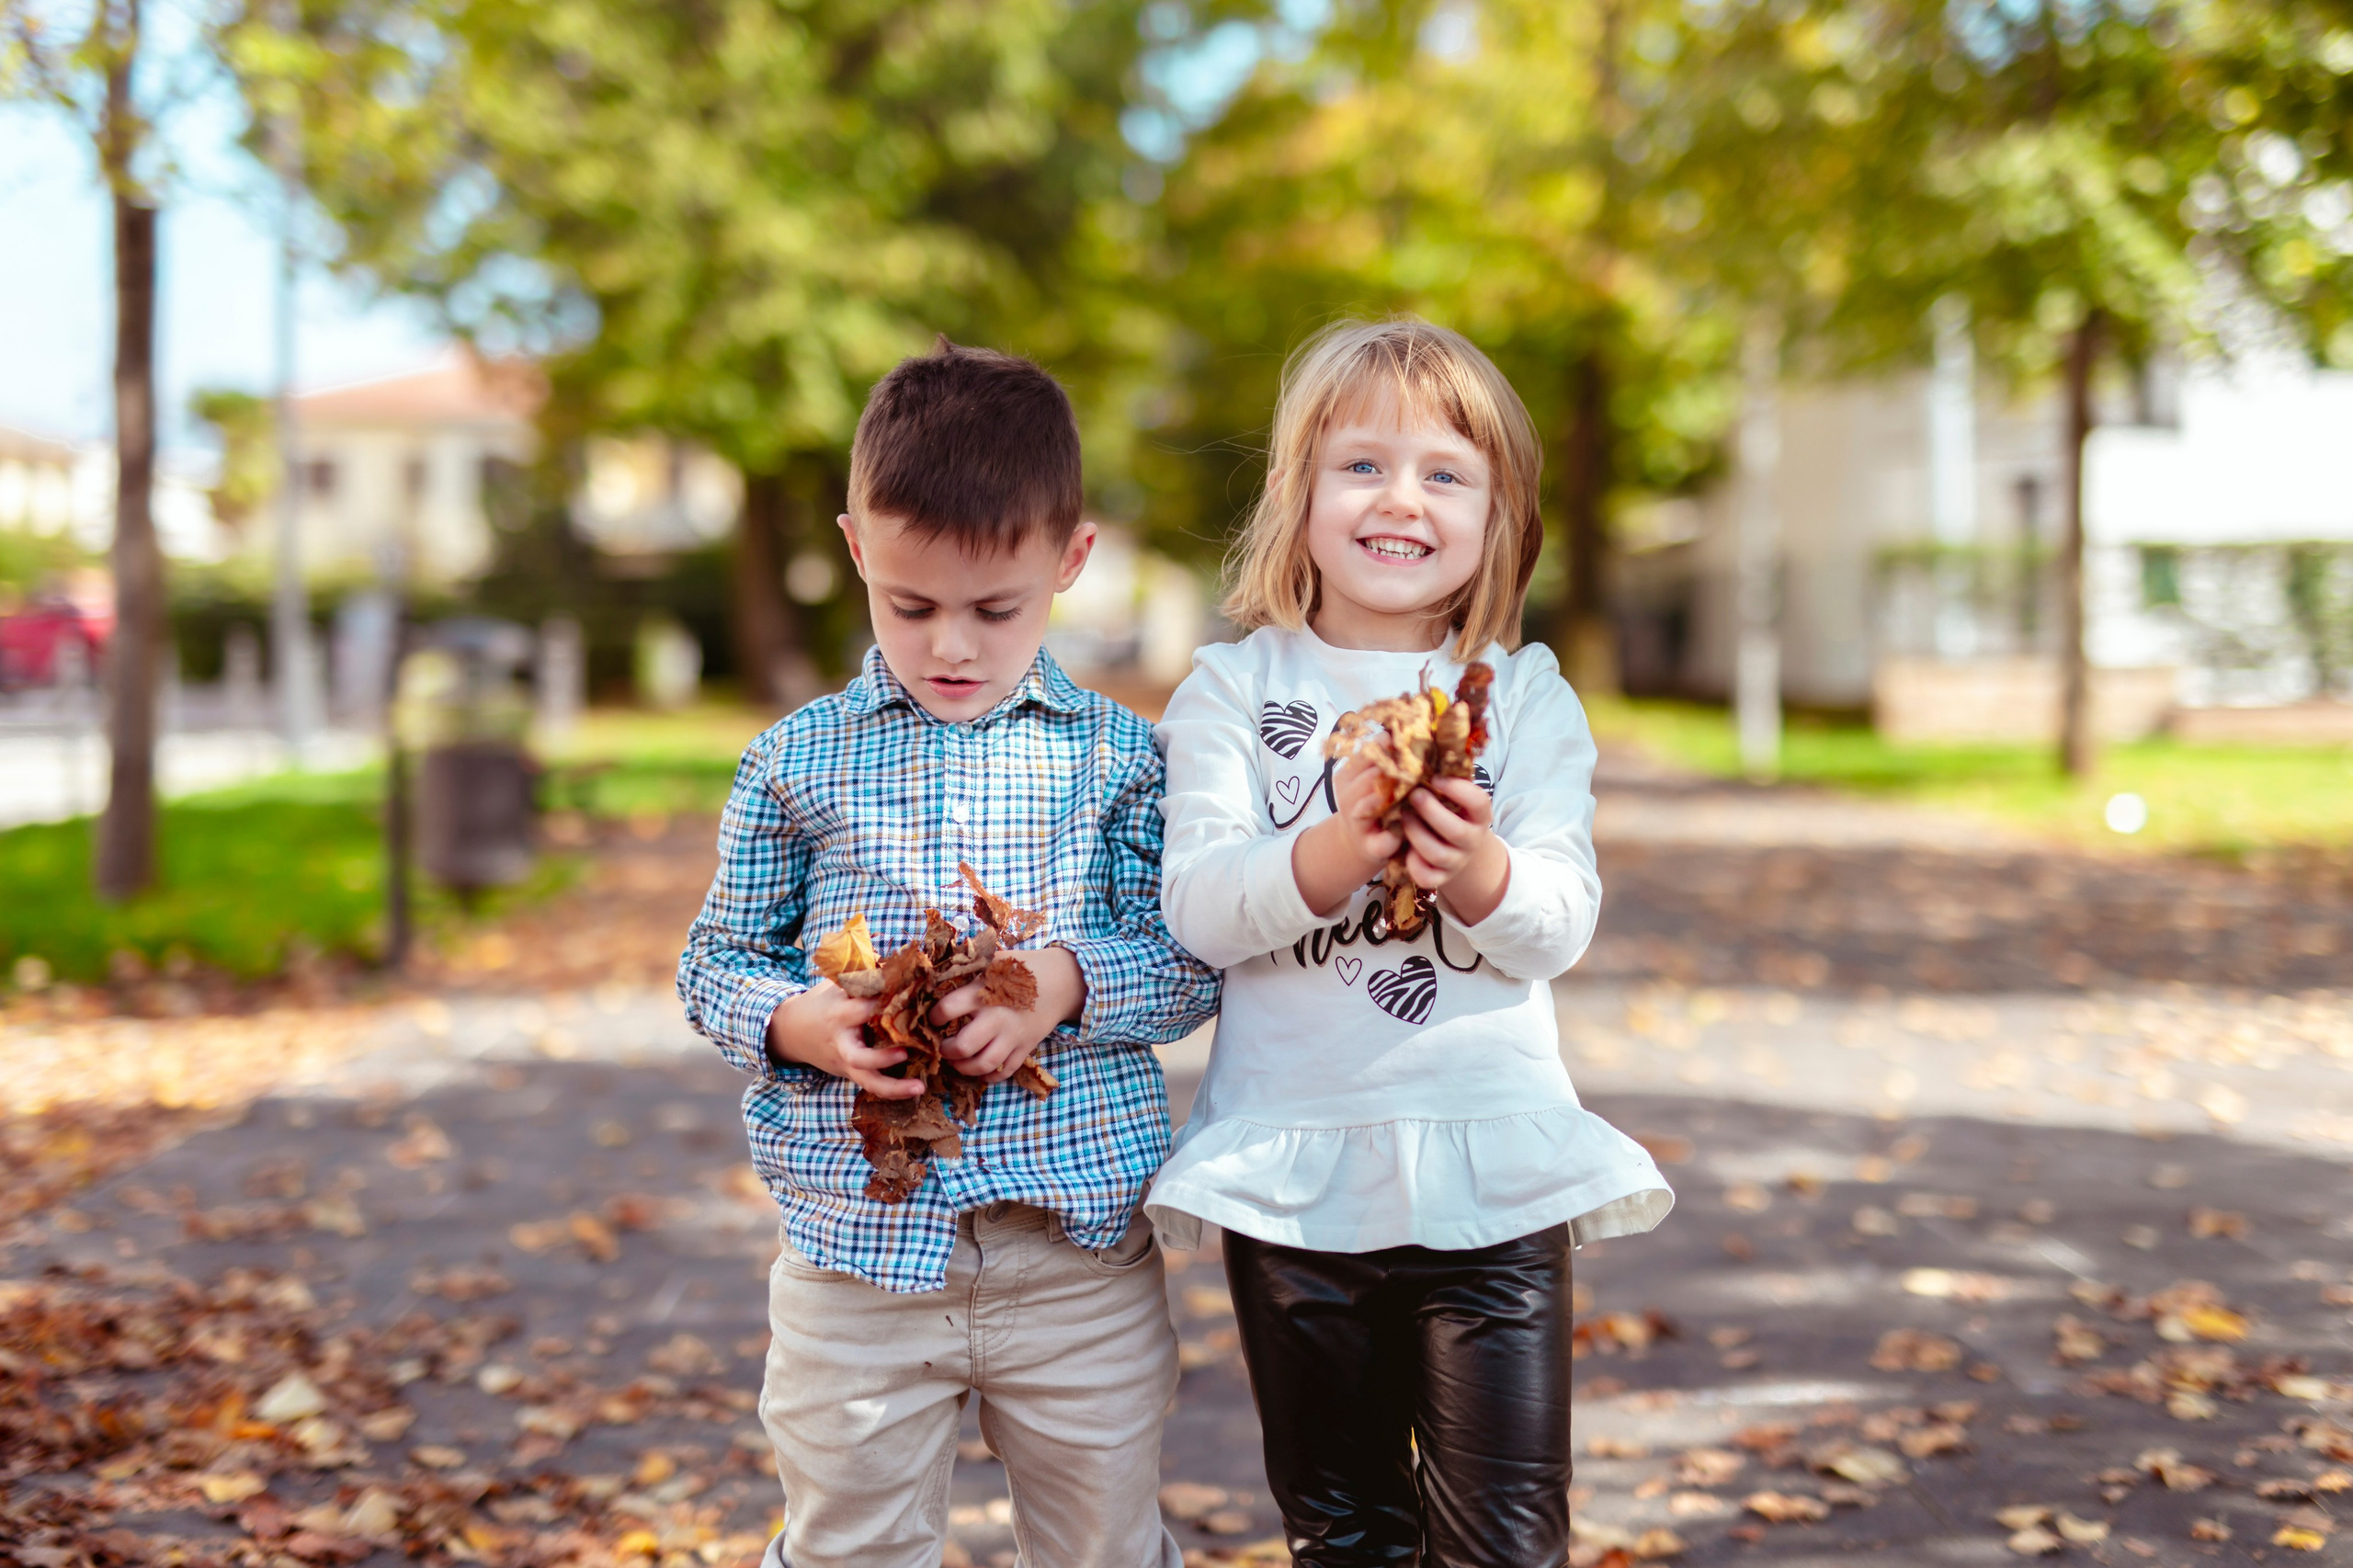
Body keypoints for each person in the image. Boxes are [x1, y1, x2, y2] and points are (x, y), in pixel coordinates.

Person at [678, 338, 1221, 1568]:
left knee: (1102, 1547)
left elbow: (1189, 960)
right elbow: (715, 958)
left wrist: (1062, 988)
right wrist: (799, 1023)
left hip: (1073, 1257)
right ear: (860, 549)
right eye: (912, 606)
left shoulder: (1123, 760)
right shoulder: (794, 761)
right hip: (855, 1261)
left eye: (997, 609)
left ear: (1070, 562)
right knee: (850, 1546)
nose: (953, 647)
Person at [1146, 317, 1674, 1568]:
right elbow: (1202, 907)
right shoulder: (1231, 690)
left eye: (1447, 474)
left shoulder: (1526, 695)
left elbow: (1560, 918)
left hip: (1495, 1174)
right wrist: (1339, 847)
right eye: (1363, 465)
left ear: (1499, 517)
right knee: (1344, 1534)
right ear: (1298, 496)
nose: (1403, 498)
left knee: (1504, 1542)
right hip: (1294, 1177)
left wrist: (1479, 872)